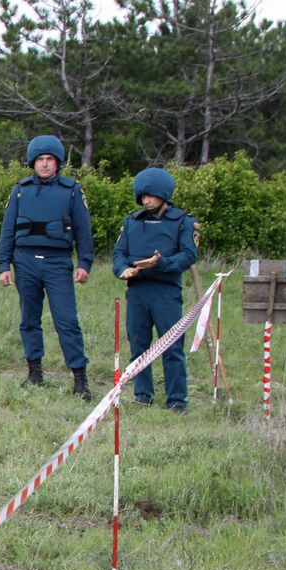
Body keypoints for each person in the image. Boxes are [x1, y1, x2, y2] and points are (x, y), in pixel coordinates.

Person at [0, 135, 95, 400]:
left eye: (50, 159)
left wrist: (84, 263)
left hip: (58, 262)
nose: (45, 164)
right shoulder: (20, 190)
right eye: (40, 159)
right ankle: (34, 372)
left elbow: (84, 231)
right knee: (29, 319)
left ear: (58, 162)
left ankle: (80, 379)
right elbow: (7, 230)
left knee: (67, 321)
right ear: (33, 162)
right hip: (25, 260)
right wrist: (3, 264)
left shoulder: (72, 190)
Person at [112, 167, 198, 413]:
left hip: (166, 293)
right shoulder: (131, 222)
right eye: (142, 196)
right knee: (139, 346)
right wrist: (122, 270)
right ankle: (143, 394)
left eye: (150, 195)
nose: (146, 200)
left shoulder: (183, 222)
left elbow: (188, 256)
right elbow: (119, 254)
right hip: (138, 291)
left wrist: (161, 263)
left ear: (163, 195)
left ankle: (177, 400)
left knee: (172, 347)